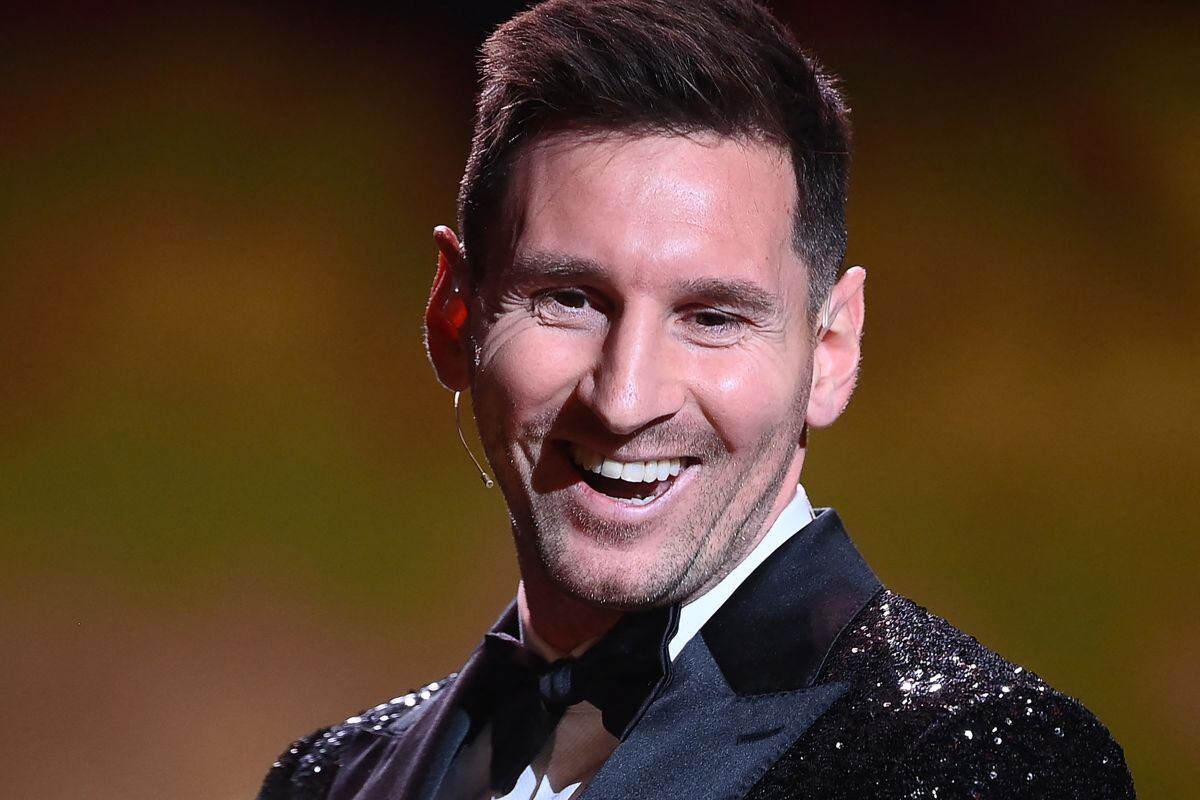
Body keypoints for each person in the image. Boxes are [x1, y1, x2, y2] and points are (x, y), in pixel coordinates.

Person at [259, 1, 1135, 797]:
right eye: (569, 298)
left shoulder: (988, 766)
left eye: (712, 316)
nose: (625, 397)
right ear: (453, 315)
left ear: (830, 350)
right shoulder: (329, 779)